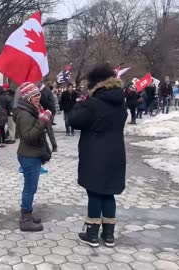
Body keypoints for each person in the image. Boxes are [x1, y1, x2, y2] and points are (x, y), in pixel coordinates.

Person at [69, 64, 127, 247]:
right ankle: (109, 235)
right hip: (116, 153)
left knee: (94, 193)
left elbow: (74, 120)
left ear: (96, 84)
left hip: (95, 154)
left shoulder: (93, 103)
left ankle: (92, 234)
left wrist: (81, 103)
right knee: (108, 194)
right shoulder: (121, 102)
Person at [13, 82, 53, 232]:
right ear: (27, 97)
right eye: (34, 95)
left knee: (32, 187)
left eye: (38, 95)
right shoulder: (24, 113)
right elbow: (28, 136)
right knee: (29, 188)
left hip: (33, 154)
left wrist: (42, 116)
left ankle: (28, 213)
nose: (37, 98)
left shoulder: (33, 109)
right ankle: (25, 219)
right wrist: (42, 120)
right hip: (29, 155)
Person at [39, 80, 58, 151]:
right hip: (39, 113)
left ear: (41, 82)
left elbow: (51, 103)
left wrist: (52, 114)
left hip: (48, 113)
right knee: (40, 131)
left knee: (49, 130)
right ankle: (43, 146)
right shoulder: (36, 90)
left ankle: (54, 146)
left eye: (38, 81)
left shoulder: (47, 91)